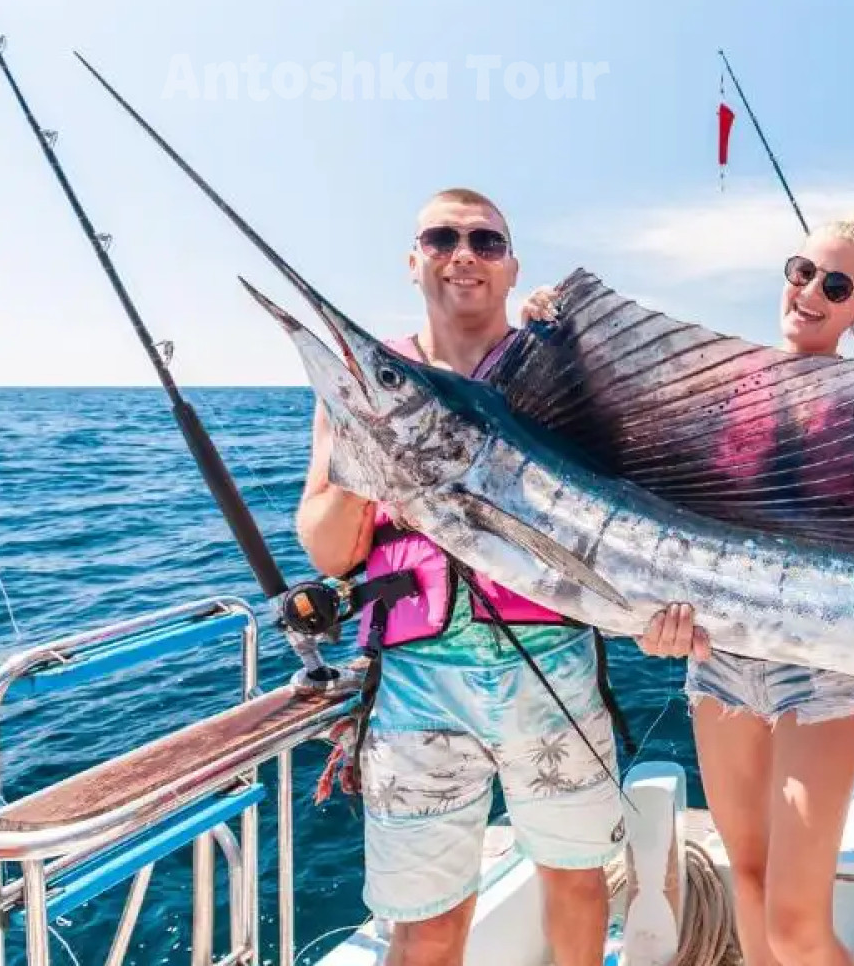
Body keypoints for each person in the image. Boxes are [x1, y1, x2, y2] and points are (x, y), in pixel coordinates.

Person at [296, 186, 696, 966]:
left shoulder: (556, 374)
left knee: (577, 882)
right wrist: (367, 452)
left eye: (486, 242)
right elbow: (330, 553)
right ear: (413, 261)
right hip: (418, 684)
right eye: (441, 239)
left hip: (555, 669)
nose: (463, 256)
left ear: (511, 268)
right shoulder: (364, 384)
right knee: (427, 925)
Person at [632, 209, 854, 966]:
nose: (810, 292)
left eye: (835, 286)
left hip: (825, 667)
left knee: (795, 928)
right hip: (719, 660)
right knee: (745, 879)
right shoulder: (729, 383)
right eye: (802, 271)